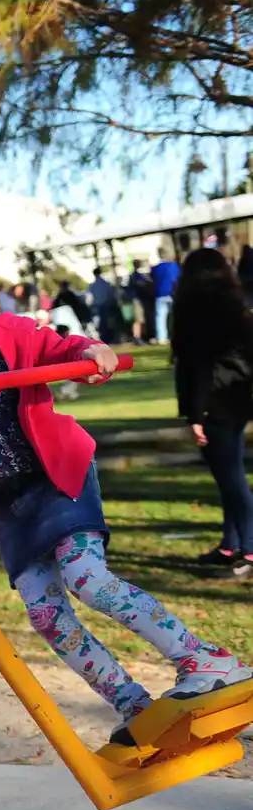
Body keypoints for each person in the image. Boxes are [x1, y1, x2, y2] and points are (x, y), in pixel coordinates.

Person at [0, 262, 251, 743]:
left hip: (54, 478)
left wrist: (91, 352)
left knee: (87, 579)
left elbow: (58, 346)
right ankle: (134, 705)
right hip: (5, 502)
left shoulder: (3, 336)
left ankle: (204, 659)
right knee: (48, 617)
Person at [171, 247, 253, 578]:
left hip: (214, 403)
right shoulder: (236, 307)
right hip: (237, 399)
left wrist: (195, 415)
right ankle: (231, 543)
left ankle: (248, 548)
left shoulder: (195, 312)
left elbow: (199, 368)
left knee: (231, 479)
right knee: (226, 476)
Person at [151, 251, 180, 343]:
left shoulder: (155, 268)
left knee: (160, 317)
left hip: (160, 294)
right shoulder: (174, 266)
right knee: (175, 316)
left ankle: (161, 337)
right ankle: (176, 335)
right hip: (172, 293)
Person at [88, 268, 123, 343]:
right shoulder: (106, 284)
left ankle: (104, 338)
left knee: (101, 324)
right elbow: (111, 295)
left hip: (98, 306)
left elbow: (90, 298)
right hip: (106, 305)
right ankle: (109, 338)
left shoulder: (92, 285)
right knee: (108, 323)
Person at [128, 260, 155, 343]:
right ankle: (137, 337)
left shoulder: (138, 275)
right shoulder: (136, 276)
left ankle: (142, 336)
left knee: (142, 319)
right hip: (138, 299)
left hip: (141, 299)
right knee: (138, 319)